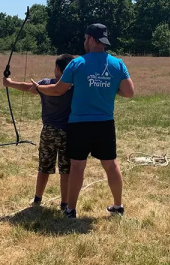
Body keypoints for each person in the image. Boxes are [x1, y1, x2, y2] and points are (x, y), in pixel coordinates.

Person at [34, 23, 135, 219]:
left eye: (85, 39)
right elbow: (129, 92)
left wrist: (39, 88)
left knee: (78, 167)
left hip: (79, 124)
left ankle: (70, 210)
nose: (84, 42)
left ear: (90, 39)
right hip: (105, 123)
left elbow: (58, 90)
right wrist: (109, 88)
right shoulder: (118, 64)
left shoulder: (77, 63)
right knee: (111, 165)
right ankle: (118, 206)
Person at [3, 54, 75, 209]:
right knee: (65, 169)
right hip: (67, 133)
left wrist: (9, 83)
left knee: (44, 166)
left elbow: (26, 86)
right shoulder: (73, 87)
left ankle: (37, 199)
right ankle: (65, 203)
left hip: (48, 131)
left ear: (57, 68)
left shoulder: (45, 84)